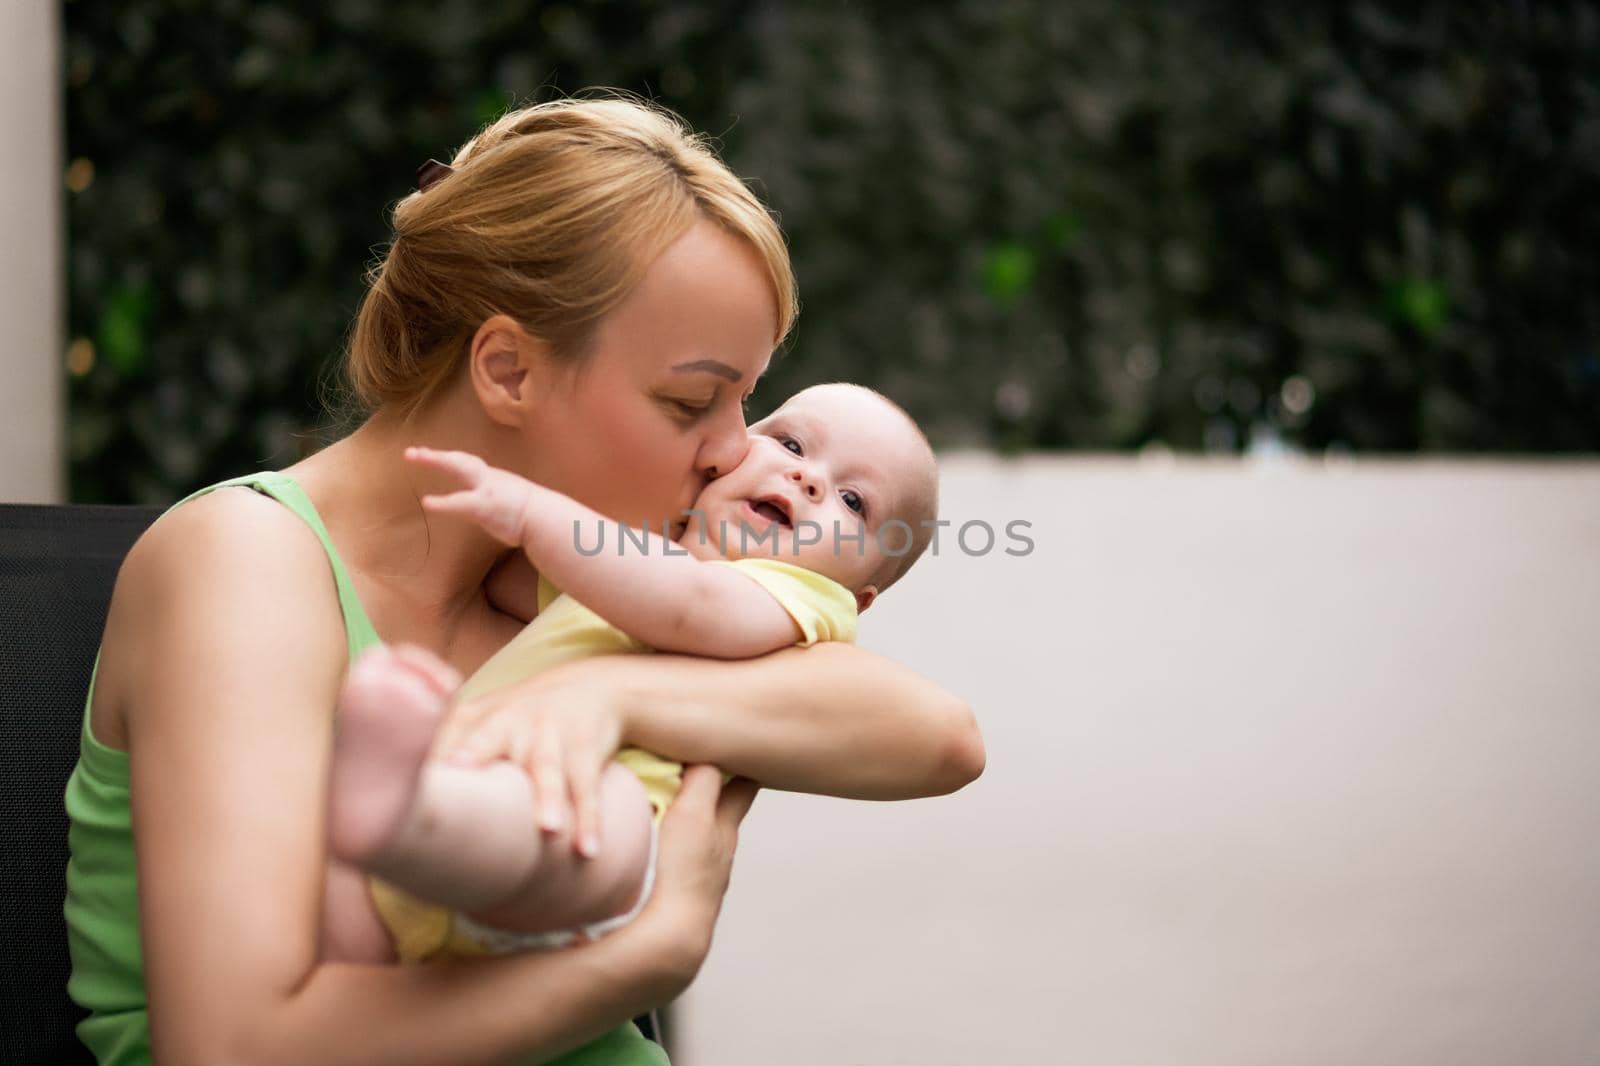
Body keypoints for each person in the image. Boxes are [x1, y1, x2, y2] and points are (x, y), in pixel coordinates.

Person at [62, 96, 984, 1066]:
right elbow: (238, 1050)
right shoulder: (245, 563)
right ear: (507, 369)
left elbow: (939, 736)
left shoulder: (575, 589)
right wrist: (646, 957)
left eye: (748, 402)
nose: (736, 452)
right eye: (691, 402)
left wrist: (608, 689)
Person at [324, 381, 942, 961]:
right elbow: (512, 584)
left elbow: (687, 606)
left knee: (585, 825)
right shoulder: (641, 555)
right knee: (334, 895)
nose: (807, 477)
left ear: (859, 594)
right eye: (789, 443)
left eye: (854, 501)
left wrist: (534, 514)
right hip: (467, 803)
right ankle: (398, 817)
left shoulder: (797, 598)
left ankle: (409, 809)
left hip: (608, 817)